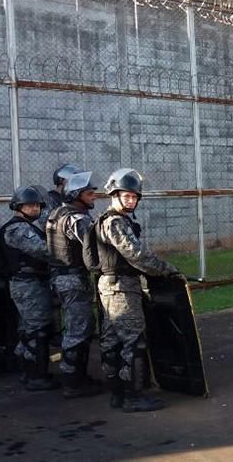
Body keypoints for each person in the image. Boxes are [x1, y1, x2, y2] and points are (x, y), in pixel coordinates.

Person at [94, 168, 180, 413]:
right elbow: (136, 254)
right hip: (121, 288)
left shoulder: (108, 220)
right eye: (127, 196)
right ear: (115, 195)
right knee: (133, 342)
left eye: (134, 197)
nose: (131, 201)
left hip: (113, 286)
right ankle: (132, 396)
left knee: (113, 341)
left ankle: (118, 394)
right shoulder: (115, 222)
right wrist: (166, 269)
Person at [0, 186, 59, 391]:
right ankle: (36, 375)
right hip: (28, 285)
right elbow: (44, 250)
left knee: (30, 328)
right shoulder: (18, 229)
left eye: (37, 205)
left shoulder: (27, 226)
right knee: (37, 329)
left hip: (30, 283)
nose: (34, 208)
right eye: (28, 205)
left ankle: (29, 371)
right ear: (18, 207)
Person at [46, 171, 102, 398]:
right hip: (72, 279)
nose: (94, 197)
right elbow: (94, 247)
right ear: (77, 194)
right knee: (79, 328)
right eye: (89, 193)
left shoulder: (57, 213)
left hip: (60, 277)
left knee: (77, 326)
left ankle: (77, 377)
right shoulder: (77, 218)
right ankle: (73, 381)